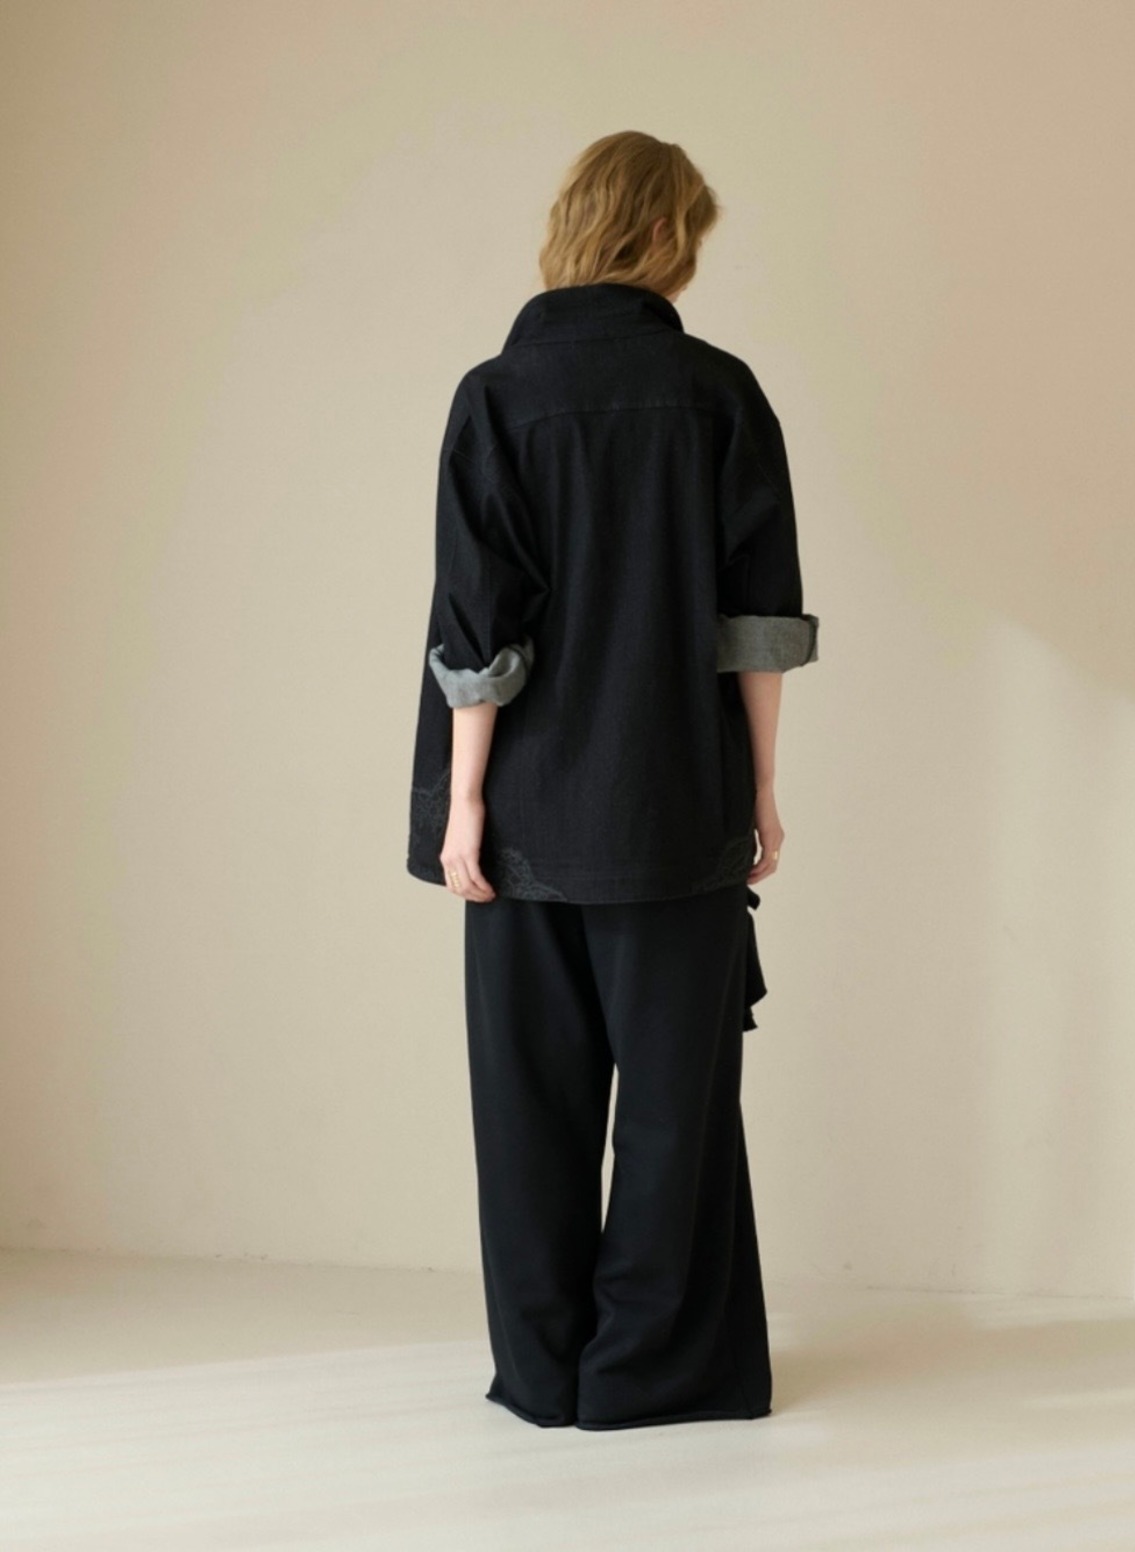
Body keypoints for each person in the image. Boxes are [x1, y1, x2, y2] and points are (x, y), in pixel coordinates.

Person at [405, 130, 819, 1430]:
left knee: (527, 1108)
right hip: (679, 804)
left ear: (574, 223)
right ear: (667, 236)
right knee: (675, 1115)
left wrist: (467, 804)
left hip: (524, 820)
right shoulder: (721, 394)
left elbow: (479, 630)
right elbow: (757, 624)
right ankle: (649, 1370)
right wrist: (759, 787)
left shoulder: (496, 396)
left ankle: (542, 1372)